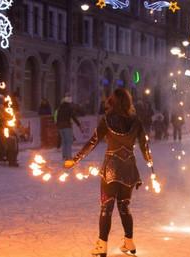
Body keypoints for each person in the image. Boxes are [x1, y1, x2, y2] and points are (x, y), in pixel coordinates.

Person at [64, 88, 153, 257]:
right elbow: (144, 144)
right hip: (128, 169)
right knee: (124, 207)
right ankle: (129, 242)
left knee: (106, 207)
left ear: (113, 101)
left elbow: (93, 141)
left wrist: (75, 159)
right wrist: (149, 161)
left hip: (111, 168)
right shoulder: (136, 121)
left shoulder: (107, 120)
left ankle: (102, 245)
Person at [56, 96, 84, 160]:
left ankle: (64, 156)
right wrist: (79, 125)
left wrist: (58, 126)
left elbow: (58, 117)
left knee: (64, 141)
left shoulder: (60, 108)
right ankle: (68, 156)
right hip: (67, 126)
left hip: (60, 127)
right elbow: (73, 117)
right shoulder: (69, 108)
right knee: (68, 141)